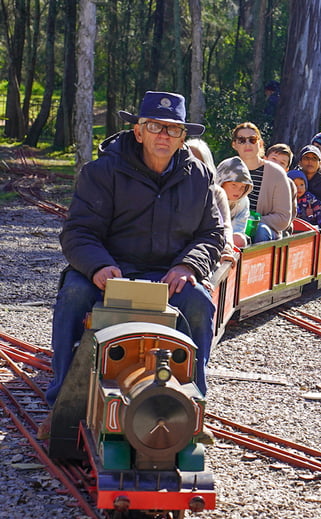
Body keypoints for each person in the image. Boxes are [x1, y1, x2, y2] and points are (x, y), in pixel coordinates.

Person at [42, 91, 225, 436]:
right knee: (73, 297)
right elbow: (78, 232)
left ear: (183, 137)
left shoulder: (199, 176)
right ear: (138, 131)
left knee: (200, 303)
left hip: (168, 274)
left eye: (173, 129)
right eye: (155, 126)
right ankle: (60, 406)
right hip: (108, 269)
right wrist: (99, 267)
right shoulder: (101, 172)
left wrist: (188, 266)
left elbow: (212, 234)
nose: (164, 135)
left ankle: (193, 405)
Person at [231, 122, 294, 241]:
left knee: (260, 230)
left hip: (263, 230)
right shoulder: (227, 169)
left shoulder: (277, 173)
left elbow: (283, 218)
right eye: (242, 140)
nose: (247, 144)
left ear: (260, 143)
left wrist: (251, 221)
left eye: (252, 140)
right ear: (234, 144)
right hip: (231, 226)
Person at [187, 138, 236, 262]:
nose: (193, 166)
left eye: (198, 161)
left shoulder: (217, 192)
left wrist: (226, 248)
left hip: (203, 253)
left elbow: (224, 226)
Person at [215, 157, 253, 248]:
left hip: (230, 239)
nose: (238, 191)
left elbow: (238, 228)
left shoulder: (243, 202)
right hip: (210, 237)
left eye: (243, 187)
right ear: (221, 182)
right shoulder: (210, 198)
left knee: (239, 239)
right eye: (233, 185)